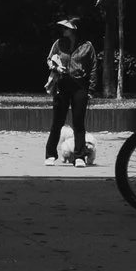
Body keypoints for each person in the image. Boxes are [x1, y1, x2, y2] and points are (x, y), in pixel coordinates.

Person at [45, 18, 95, 166]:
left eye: (66, 28)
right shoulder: (59, 43)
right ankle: (50, 154)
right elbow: (49, 59)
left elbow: (93, 67)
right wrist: (56, 68)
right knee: (57, 122)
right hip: (62, 83)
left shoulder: (87, 46)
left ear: (74, 29)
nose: (63, 30)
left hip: (80, 85)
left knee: (78, 123)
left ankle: (79, 156)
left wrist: (91, 90)